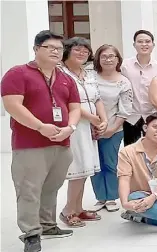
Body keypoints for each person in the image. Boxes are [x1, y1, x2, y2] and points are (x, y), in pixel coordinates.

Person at [2, 30, 78, 251]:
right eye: (50, 48)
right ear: (36, 49)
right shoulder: (18, 73)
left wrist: (70, 128)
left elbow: (75, 108)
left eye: (59, 48)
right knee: (29, 189)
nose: (56, 52)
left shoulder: (65, 78)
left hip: (61, 143)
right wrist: (40, 127)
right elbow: (12, 106)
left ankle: (47, 225)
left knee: (52, 187)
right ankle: (31, 233)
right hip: (30, 144)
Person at [56, 37, 103, 228]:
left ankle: (78, 207)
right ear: (67, 51)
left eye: (85, 50)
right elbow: (68, 103)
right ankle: (68, 211)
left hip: (90, 126)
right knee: (77, 169)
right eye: (77, 49)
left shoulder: (88, 73)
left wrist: (103, 120)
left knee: (86, 169)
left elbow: (97, 98)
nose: (82, 53)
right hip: (75, 125)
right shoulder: (61, 73)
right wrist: (92, 118)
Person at [90, 44, 136, 212]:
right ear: (98, 59)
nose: (108, 59)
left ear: (118, 60)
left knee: (110, 163)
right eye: (104, 56)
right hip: (90, 128)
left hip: (113, 129)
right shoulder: (90, 77)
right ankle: (100, 197)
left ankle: (111, 197)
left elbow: (125, 109)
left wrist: (111, 128)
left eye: (112, 56)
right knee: (94, 164)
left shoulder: (123, 81)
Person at [122, 30, 157, 146]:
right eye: (140, 42)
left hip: (153, 116)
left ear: (153, 45)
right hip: (131, 117)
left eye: (147, 42)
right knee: (130, 152)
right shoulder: (124, 66)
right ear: (134, 45)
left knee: (153, 150)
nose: (144, 44)